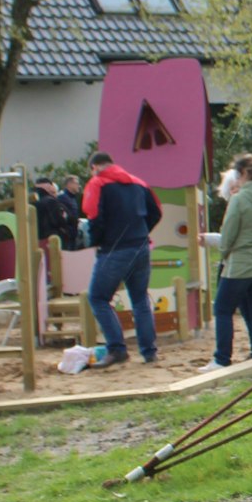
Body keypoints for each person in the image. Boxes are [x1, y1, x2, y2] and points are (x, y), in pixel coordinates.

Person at [81, 150, 163, 368]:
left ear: (95, 167)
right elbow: (156, 212)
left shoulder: (98, 183)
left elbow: (94, 217)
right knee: (140, 299)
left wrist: (97, 240)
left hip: (114, 250)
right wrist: (141, 232)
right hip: (141, 247)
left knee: (98, 298)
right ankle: (149, 352)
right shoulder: (139, 183)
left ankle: (117, 349)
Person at [201, 153, 252, 373]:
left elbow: (228, 235)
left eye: (237, 173)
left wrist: (224, 253)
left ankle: (221, 359)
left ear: (244, 173)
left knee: (223, 308)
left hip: (243, 263)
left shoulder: (239, 199)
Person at [32, 176, 79, 250]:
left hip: (33, 242)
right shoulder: (51, 202)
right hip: (52, 241)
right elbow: (61, 220)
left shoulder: (29, 201)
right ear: (49, 188)